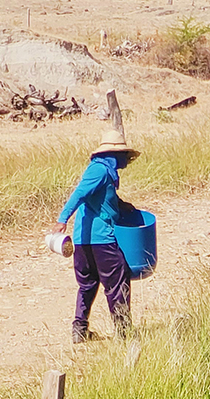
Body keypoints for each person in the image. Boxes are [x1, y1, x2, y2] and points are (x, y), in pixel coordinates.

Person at [51, 129, 138, 343]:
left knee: (88, 285)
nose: (126, 159)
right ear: (114, 155)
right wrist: (62, 220)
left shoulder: (104, 172)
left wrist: (123, 206)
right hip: (101, 240)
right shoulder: (99, 171)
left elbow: (100, 199)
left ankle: (79, 330)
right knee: (117, 281)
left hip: (83, 241)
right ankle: (124, 333)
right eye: (124, 155)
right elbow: (80, 193)